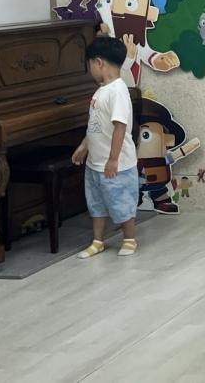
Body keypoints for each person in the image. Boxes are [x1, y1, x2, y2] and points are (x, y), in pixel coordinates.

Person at [71, 36, 139, 258]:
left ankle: (129, 239)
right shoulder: (102, 90)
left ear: (98, 62)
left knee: (122, 201)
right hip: (95, 163)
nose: (90, 70)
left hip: (116, 164)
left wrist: (113, 159)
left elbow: (120, 127)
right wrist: (84, 146)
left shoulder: (117, 91)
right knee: (96, 203)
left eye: (90, 65)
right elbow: (96, 125)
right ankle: (97, 241)